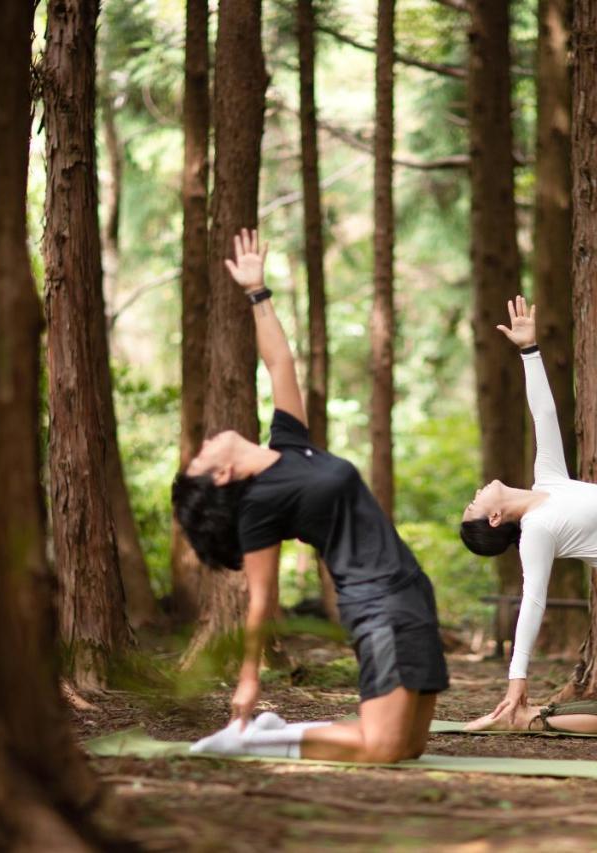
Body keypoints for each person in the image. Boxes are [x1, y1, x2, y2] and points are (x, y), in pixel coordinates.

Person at [174, 229, 448, 761]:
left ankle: (273, 730)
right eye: (203, 457)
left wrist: (258, 293)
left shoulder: (291, 445)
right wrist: (248, 682)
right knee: (382, 749)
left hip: (411, 588)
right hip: (375, 601)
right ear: (222, 477)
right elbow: (260, 601)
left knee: (408, 748)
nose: (208, 442)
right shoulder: (258, 506)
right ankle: (255, 738)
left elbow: (280, 365)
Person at [459, 296, 597, 735]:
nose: (478, 493)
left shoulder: (550, 481)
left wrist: (529, 351)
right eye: (474, 505)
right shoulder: (538, 530)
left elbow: (544, 414)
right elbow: (533, 600)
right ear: (496, 518)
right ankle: (525, 719)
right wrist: (516, 676)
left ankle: (528, 717)